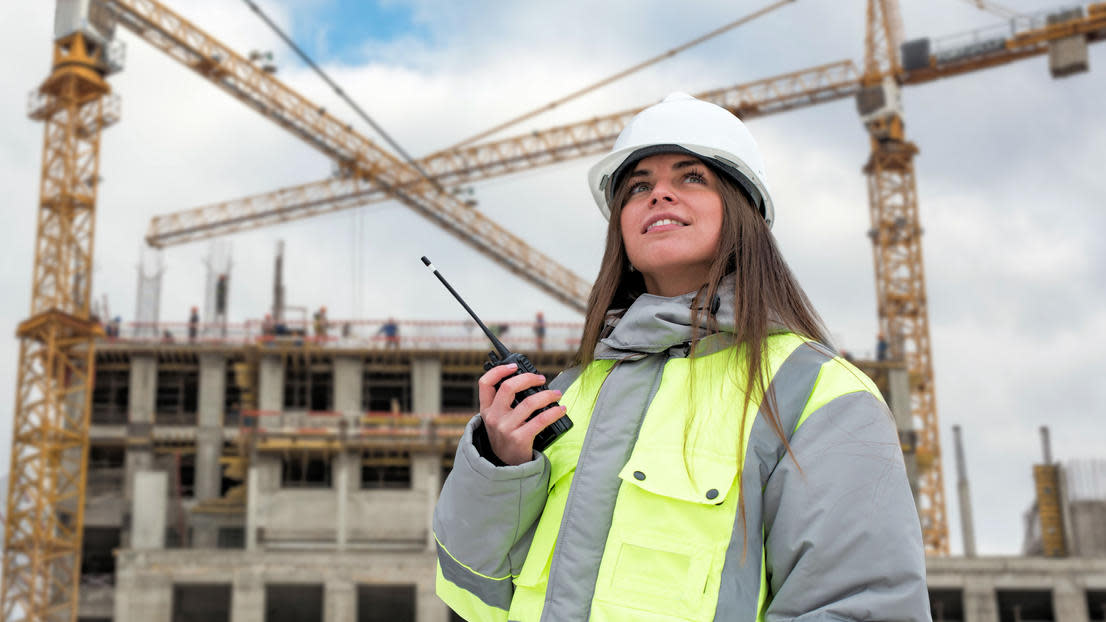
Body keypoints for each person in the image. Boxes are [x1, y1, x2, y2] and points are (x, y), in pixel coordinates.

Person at [433, 93, 928, 621]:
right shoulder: (570, 393)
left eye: (691, 177)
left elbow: (861, 607)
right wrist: (501, 467)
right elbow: (473, 596)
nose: (659, 195)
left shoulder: (817, 394)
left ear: (742, 211)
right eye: (638, 186)